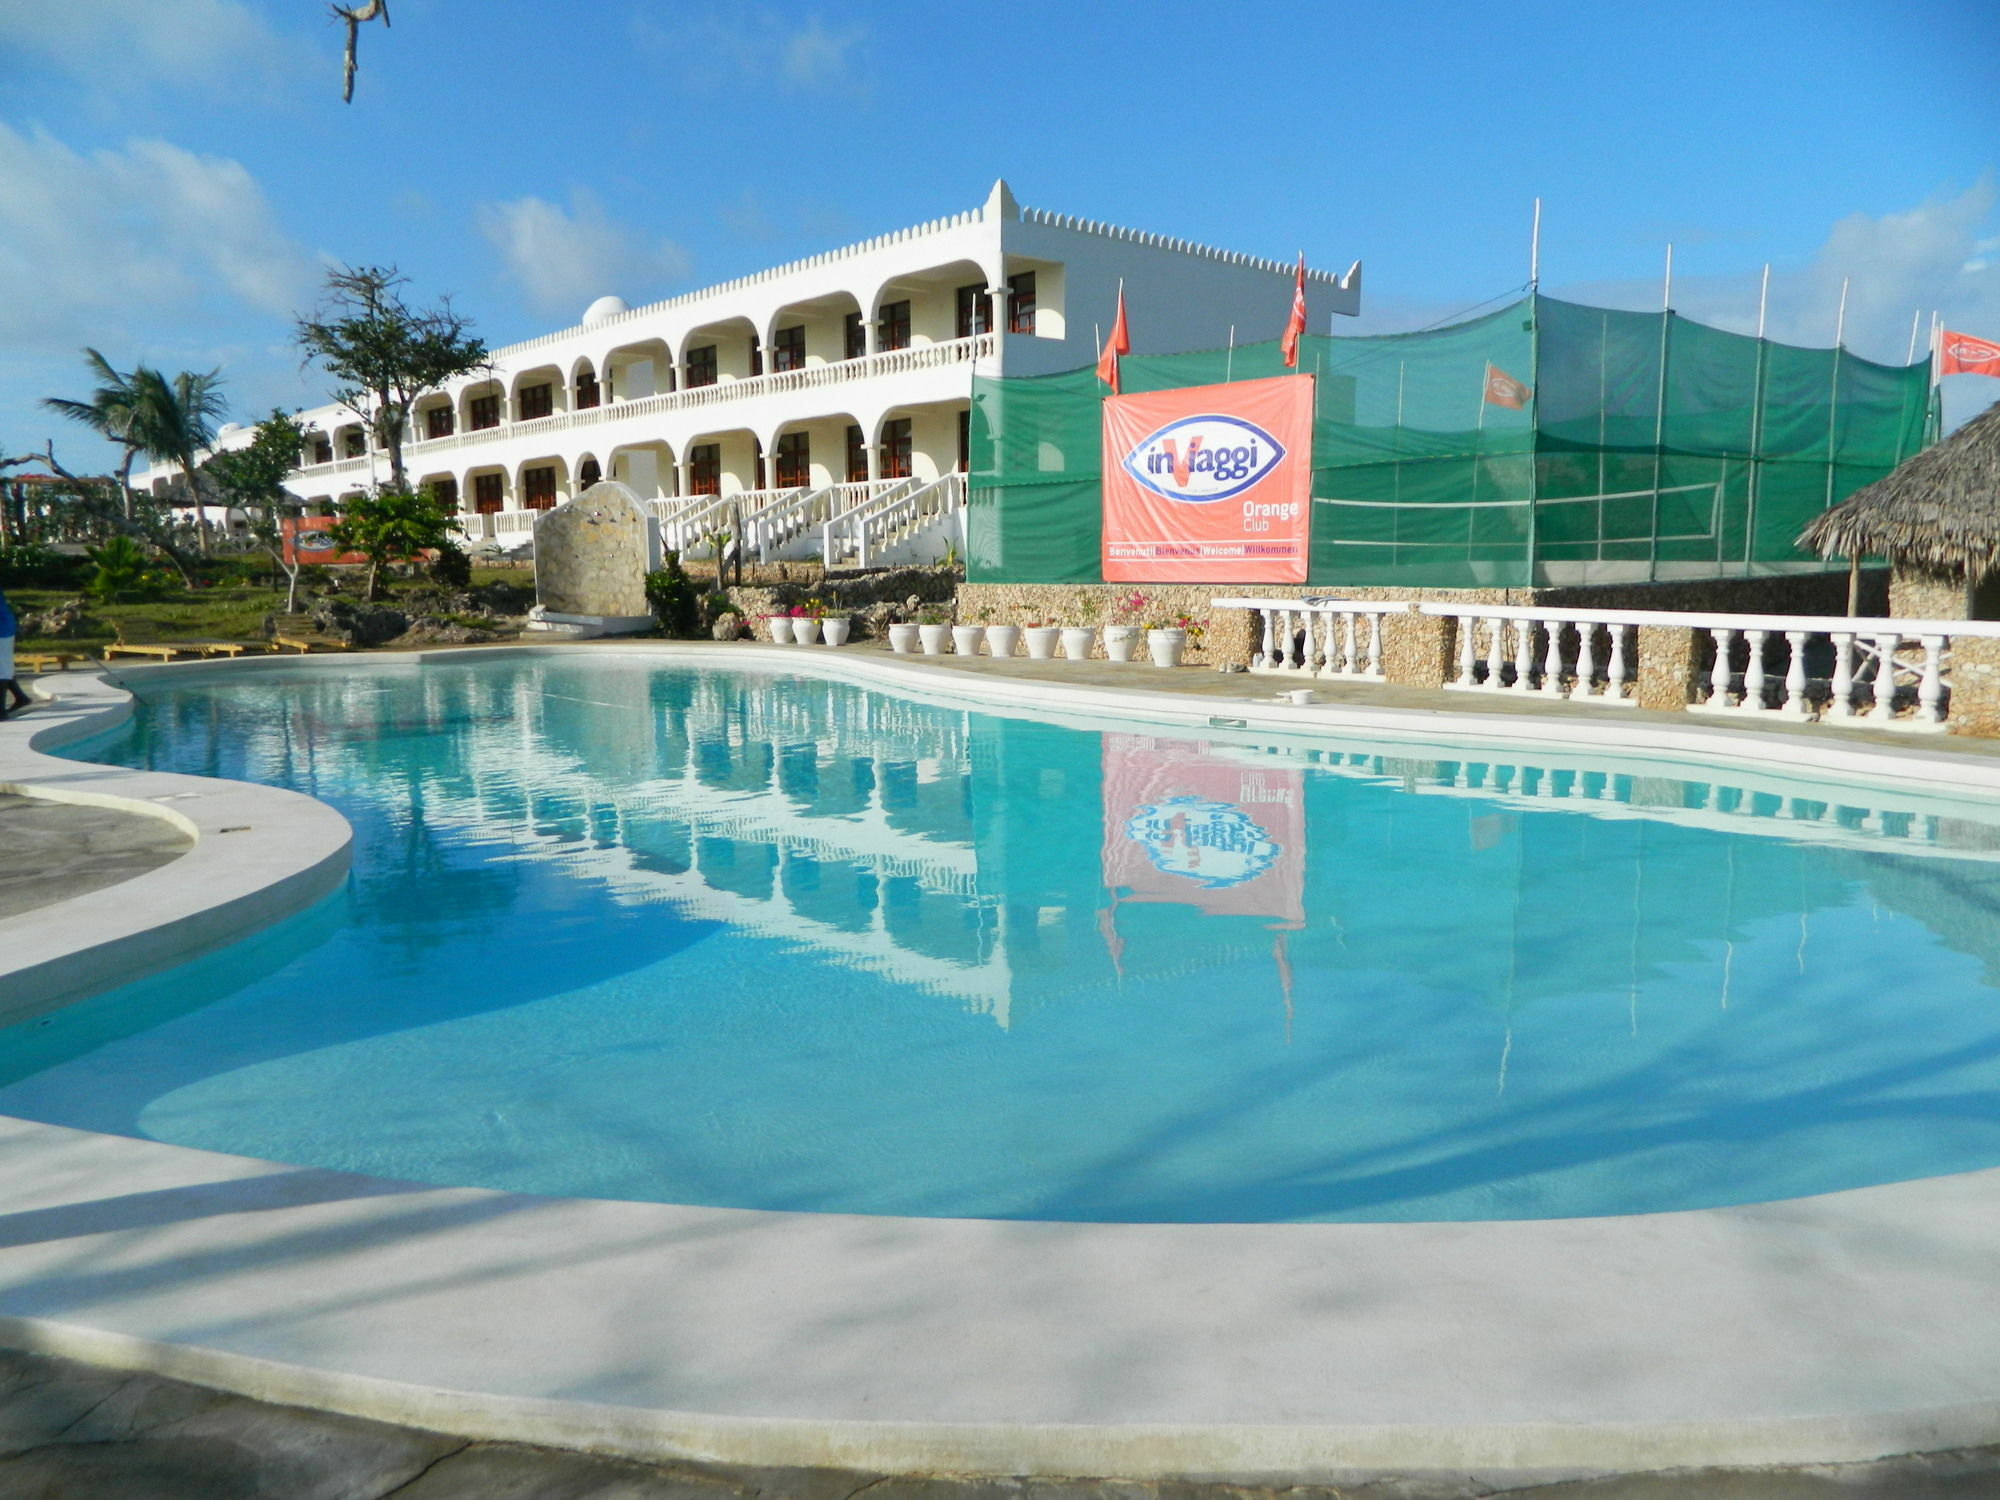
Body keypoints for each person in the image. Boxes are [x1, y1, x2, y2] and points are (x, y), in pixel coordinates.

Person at [0, 586, 32, 721]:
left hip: (2, 629)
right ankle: (20, 697)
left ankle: (1, 711)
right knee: (4, 666)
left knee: (2, 669)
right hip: (5, 626)